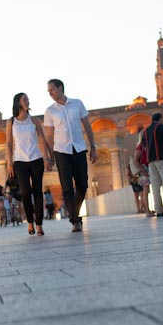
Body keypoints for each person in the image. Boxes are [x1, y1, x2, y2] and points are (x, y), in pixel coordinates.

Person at [43, 79, 97, 233]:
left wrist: (93, 147)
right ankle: (75, 220)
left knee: (83, 185)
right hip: (61, 151)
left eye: (52, 90)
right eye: (48, 91)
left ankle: (74, 211)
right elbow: (48, 135)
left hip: (79, 148)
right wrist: (49, 156)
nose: (50, 94)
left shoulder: (77, 104)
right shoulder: (50, 111)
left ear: (60, 88)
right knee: (66, 186)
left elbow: (87, 126)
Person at [6, 92, 51, 236]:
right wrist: (9, 163)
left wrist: (46, 158)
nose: (28, 101)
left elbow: (42, 139)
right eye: (25, 99)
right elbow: (8, 144)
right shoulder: (11, 122)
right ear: (18, 102)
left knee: (37, 192)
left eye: (28, 99)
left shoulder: (34, 120)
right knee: (25, 192)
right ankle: (29, 222)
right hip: (19, 161)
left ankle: (39, 225)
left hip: (36, 159)